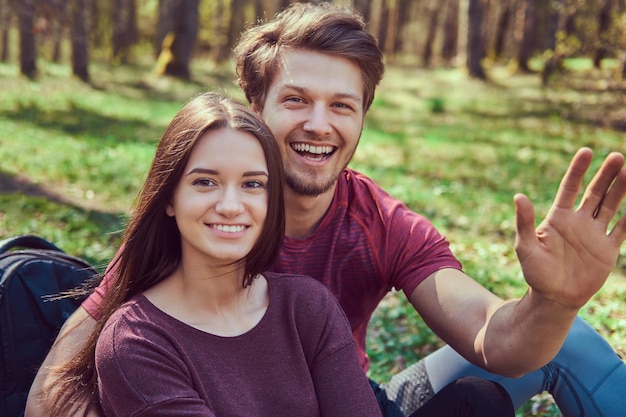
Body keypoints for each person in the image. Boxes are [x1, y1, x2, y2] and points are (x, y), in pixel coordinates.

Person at [27, 2, 626, 417]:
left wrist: (554, 301)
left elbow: (497, 340)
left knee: (562, 343)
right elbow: (53, 387)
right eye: (296, 99)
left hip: (347, 399)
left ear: (363, 118)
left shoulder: (381, 223)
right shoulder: (200, 220)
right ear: (253, 107)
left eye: (342, 105)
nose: (319, 124)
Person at [35, 92, 515, 417]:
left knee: (480, 399)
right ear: (168, 197)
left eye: (252, 184)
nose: (230, 204)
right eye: (205, 181)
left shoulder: (306, 305)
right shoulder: (136, 341)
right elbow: (46, 396)